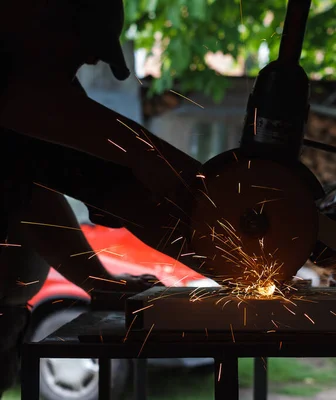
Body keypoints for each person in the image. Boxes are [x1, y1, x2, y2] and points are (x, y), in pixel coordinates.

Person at [0, 0, 213, 396]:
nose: (90, 60)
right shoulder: (21, 92)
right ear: (36, 22)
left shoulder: (33, 102)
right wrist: (147, 157)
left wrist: (97, 281)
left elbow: (32, 199)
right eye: (83, 45)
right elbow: (37, 108)